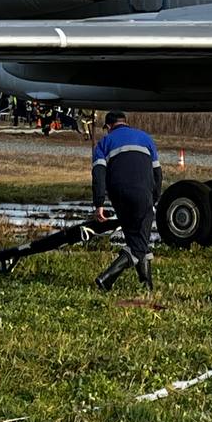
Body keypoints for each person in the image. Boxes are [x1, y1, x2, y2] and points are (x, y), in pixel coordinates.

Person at [91, 111, 163, 291]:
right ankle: (107, 278)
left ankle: (146, 285)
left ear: (108, 127)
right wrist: (154, 198)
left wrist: (99, 203)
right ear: (125, 122)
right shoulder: (145, 138)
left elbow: (98, 175)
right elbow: (158, 174)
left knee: (137, 239)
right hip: (143, 193)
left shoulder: (103, 143)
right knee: (139, 243)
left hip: (119, 195)